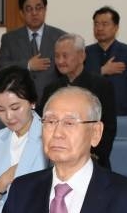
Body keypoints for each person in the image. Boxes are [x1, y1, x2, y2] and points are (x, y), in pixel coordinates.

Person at [39, 33, 116, 169]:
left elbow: (108, 127)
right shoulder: (51, 89)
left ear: (82, 56)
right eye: (57, 56)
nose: (60, 61)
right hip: (57, 160)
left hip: (93, 161)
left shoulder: (101, 85)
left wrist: (91, 156)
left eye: (65, 55)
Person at [0, 66, 48, 213]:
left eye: (15, 108)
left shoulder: (50, 136)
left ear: (32, 102)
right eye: (0, 109)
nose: (8, 116)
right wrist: (0, 184)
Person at [0, 0, 65, 102]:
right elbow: (1, 66)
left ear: (45, 10)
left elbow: (68, 69)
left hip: (53, 101)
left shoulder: (60, 37)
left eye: (38, 8)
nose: (34, 13)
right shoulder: (9, 38)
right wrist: (28, 65)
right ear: (22, 13)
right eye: (29, 9)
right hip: (20, 102)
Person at [85, 6, 127, 116]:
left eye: (105, 24)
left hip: (122, 115)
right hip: (92, 115)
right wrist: (101, 71)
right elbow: (79, 82)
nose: (99, 28)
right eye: (96, 24)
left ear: (116, 27)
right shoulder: (85, 53)